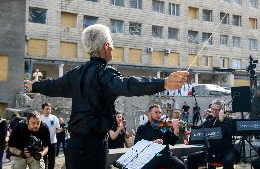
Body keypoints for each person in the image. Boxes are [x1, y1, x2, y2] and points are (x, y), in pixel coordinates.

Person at [24, 24, 189, 169]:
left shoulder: (75, 74)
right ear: (106, 47)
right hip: (93, 146)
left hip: (74, 145)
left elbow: (53, 85)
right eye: (112, 44)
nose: (113, 48)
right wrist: (163, 83)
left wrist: (35, 85)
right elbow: (127, 85)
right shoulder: (104, 73)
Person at [187, 100, 239, 169]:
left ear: (221, 111)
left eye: (217, 110)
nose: (214, 111)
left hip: (225, 151)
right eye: (213, 109)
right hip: (211, 152)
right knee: (191, 158)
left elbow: (225, 133)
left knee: (228, 161)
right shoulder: (209, 121)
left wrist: (221, 121)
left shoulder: (227, 121)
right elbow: (199, 131)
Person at [134, 104, 185, 169]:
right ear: (149, 114)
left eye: (160, 112)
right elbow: (137, 145)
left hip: (164, 155)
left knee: (180, 165)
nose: (159, 115)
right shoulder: (142, 128)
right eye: (156, 112)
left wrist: (176, 130)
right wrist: (152, 143)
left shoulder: (163, 126)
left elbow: (172, 141)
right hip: (150, 156)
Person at [41, 102, 60, 169]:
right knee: (43, 160)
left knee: (52, 160)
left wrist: (59, 130)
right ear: (43, 109)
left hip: (53, 142)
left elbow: (57, 129)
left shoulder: (54, 118)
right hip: (43, 143)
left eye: (49, 109)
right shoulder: (40, 118)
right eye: (46, 109)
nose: (48, 110)